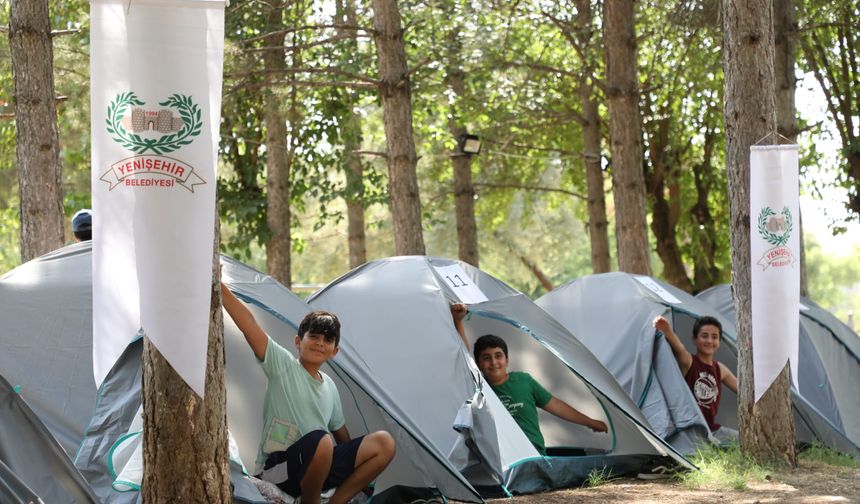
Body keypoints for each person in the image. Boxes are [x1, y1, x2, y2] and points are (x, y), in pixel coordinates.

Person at [221, 282, 395, 504]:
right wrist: (221, 287)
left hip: (317, 468)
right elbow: (249, 324)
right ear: (298, 341)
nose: (320, 343)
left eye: (328, 339)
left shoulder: (330, 386)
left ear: (335, 351)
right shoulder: (283, 365)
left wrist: (353, 465)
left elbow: (342, 435)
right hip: (280, 470)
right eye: (314, 336)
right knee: (322, 441)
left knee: (384, 442)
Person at [451, 304, 607, 455]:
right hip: (502, 458)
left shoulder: (523, 381)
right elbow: (465, 358)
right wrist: (458, 321)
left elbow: (557, 406)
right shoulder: (479, 387)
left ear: (507, 360)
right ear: (478, 364)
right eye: (486, 358)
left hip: (534, 453)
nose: (494, 362)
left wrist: (590, 422)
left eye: (498, 356)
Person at [653, 315, 739, 443]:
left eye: (714, 337)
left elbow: (743, 390)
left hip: (712, 429)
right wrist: (666, 329)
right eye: (704, 336)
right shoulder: (689, 362)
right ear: (695, 339)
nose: (709, 341)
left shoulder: (720, 369)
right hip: (693, 429)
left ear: (719, 342)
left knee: (742, 440)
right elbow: (680, 348)